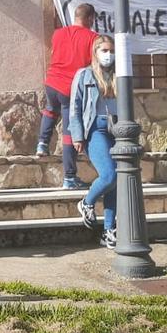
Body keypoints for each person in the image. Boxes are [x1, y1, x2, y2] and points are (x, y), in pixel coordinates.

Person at [38, 2, 99, 189]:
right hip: (70, 88)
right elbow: (94, 64)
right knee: (69, 133)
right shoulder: (93, 38)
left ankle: (42, 144)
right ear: (89, 19)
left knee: (49, 110)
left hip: (52, 82)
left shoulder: (58, 33)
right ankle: (70, 178)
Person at [70, 35, 118, 249]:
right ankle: (87, 202)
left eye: (111, 50)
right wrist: (77, 135)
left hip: (116, 129)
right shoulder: (84, 74)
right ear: (96, 52)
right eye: (104, 50)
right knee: (109, 174)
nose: (109, 55)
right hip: (95, 129)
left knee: (116, 182)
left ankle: (109, 230)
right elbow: (75, 106)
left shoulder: (119, 75)